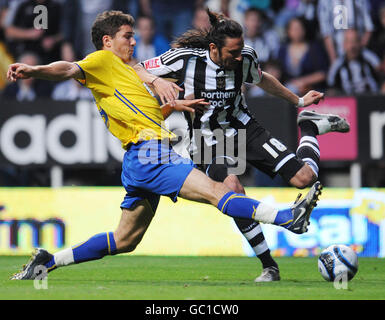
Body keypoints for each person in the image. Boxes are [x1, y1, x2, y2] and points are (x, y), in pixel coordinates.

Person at [8, 10, 322, 281]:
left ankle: (47, 262)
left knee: (124, 240)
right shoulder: (101, 61)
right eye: (127, 36)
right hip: (150, 154)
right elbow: (67, 68)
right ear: (107, 41)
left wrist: (177, 106)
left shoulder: (130, 75)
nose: (133, 42)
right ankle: (285, 217)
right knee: (219, 191)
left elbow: (147, 114)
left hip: (141, 158)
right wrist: (34, 70)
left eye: (132, 37)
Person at [134, 8, 349, 282]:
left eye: (240, 51)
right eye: (232, 53)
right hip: (209, 139)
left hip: (244, 127)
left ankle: (309, 126)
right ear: (214, 47)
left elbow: (262, 78)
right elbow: (137, 68)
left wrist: (298, 102)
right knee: (231, 188)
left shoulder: (245, 57)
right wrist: (157, 82)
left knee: (304, 178)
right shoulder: (184, 60)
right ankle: (269, 266)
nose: (239, 57)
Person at [277, 17, 328, 96]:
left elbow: (322, 74)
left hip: (311, 89)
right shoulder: (283, 50)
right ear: (288, 31)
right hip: (287, 89)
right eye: (293, 29)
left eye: (299, 28)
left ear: (305, 30)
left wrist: (303, 82)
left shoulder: (314, 48)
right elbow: (279, 72)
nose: (297, 32)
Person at [327, 28, 381, 95]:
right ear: (344, 45)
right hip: (347, 102)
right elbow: (331, 88)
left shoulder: (371, 58)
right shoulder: (337, 65)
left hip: (373, 99)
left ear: (360, 43)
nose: (352, 46)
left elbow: (381, 73)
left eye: (355, 41)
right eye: (349, 42)